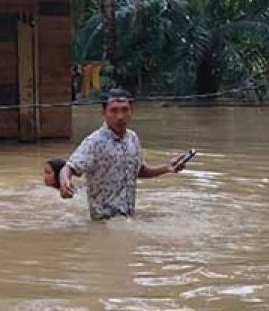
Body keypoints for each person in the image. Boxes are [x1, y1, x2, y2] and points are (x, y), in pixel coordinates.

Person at [58, 87, 184, 220]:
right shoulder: (94, 142)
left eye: (125, 110)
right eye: (114, 111)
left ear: (131, 111)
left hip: (128, 218)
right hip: (104, 223)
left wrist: (167, 168)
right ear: (103, 113)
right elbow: (68, 167)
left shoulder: (132, 138)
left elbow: (139, 171)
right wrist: (64, 182)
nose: (120, 116)